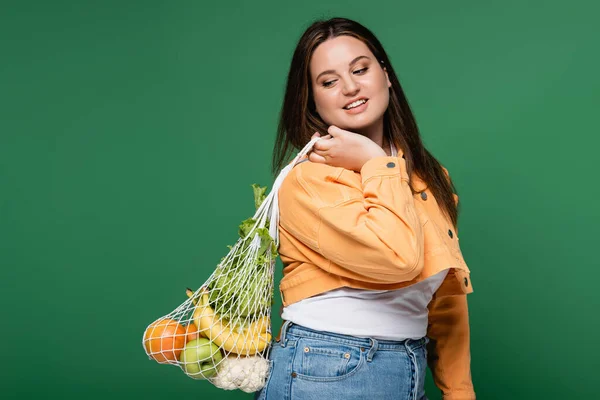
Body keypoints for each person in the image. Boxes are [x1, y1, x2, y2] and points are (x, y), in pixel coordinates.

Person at [256, 17, 475, 400]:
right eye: (329, 81)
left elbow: (443, 297)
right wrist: (375, 161)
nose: (351, 87)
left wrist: (459, 392)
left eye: (360, 69)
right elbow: (397, 260)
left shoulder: (427, 177)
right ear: (311, 99)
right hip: (327, 369)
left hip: (405, 367)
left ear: (386, 75)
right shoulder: (308, 181)